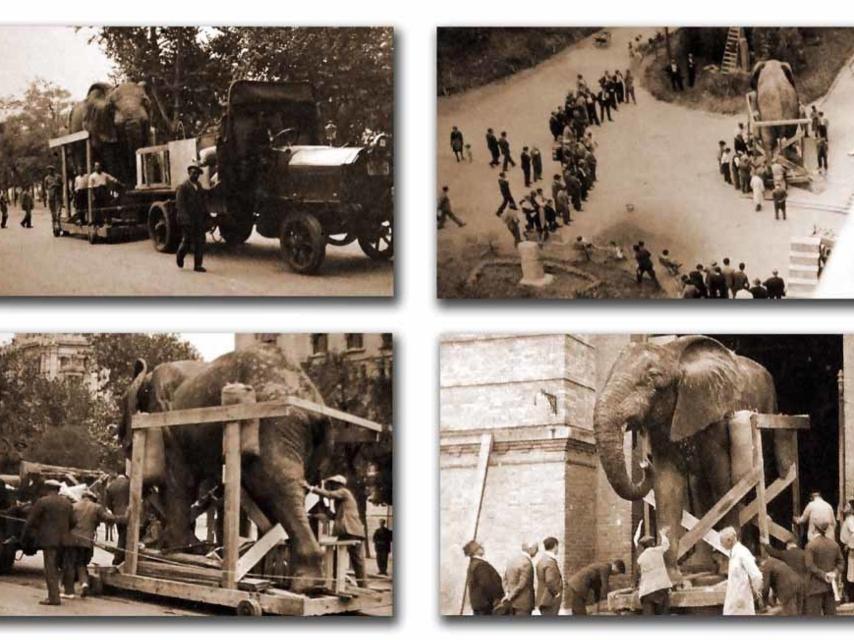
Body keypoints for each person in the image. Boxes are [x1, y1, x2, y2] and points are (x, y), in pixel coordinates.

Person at [303, 475, 367, 587]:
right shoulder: (341, 501)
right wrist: (324, 512)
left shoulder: (344, 492)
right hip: (346, 531)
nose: (330, 487)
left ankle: (361, 585)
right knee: (339, 559)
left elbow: (329, 495)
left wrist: (311, 488)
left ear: (338, 485)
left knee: (356, 560)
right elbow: (336, 517)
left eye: (332, 484)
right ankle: (337, 583)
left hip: (351, 531)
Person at [21, 480, 73, 605]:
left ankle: (54, 598)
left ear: (47, 489)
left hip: (49, 541)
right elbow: (73, 521)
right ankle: (67, 591)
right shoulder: (67, 503)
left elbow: (30, 521)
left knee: (50, 569)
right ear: (58, 489)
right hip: (65, 540)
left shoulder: (43, 501)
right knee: (64, 566)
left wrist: (25, 536)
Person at [64, 490, 119, 598]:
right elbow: (109, 518)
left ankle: (69, 591)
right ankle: (84, 583)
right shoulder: (96, 507)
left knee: (70, 564)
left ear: (83, 496)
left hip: (72, 540)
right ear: (92, 498)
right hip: (86, 542)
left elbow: (67, 522)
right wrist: (124, 518)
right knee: (81, 564)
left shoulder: (73, 506)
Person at [804, 520, 844, 615]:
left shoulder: (810, 546)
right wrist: (834, 573)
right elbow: (841, 562)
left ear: (814, 529)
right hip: (830, 587)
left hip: (814, 588)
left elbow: (809, 565)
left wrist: (824, 575)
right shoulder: (834, 545)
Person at [720, 526, 763, 615]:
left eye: (722, 542)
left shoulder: (742, 553)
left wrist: (756, 591)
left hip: (741, 601)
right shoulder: (733, 554)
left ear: (729, 540)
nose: (721, 545)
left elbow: (756, 575)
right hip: (734, 600)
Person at [175, 162, 210, 272]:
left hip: (198, 219)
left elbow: (202, 201)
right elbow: (180, 205)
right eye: (193, 173)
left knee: (200, 241)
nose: (195, 175)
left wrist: (206, 215)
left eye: (197, 173)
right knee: (187, 241)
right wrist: (185, 219)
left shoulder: (199, 186)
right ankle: (180, 256)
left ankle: (198, 265)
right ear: (189, 173)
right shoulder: (183, 187)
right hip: (187, 219)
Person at [636, 527, 672, 615]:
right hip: (661, 589)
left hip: (647, 592)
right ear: (653, 543)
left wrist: (636, 586)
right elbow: (666, 545)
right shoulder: (658, 551)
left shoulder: (640, 558)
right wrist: (663, 534)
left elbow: (638, 574)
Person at [463, 540, 504, 615]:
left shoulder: (473, 564)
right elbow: (487, 584)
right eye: (480, 547)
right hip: (486, 605)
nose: (483, 548)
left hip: (480, 604)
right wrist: (496, 598)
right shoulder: (480, 565)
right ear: (475, 551)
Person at [501, 540, 537, 615]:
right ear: (530, 549)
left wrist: (507, 593)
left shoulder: (512, 561)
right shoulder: (527, 563)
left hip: (511, 604)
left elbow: (504, 579)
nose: (537, 551)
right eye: (536, 548)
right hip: (523, 604)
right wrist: (510, 596)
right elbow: (522, 584)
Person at [105, 473, 130, 566]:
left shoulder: (111, 486)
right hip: (128, 513)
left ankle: (120, 557)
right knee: (125, 536)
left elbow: (108, 503)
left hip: (117, 513)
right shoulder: (129, 483)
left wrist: (114, 512)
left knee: (121, 535)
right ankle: (119, 559)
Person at [536, 537, 563, 615]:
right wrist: (556, 593)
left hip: (543, 598)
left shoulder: (541, 560)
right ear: (555, 546)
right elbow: (550, 580)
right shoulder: (550, 562)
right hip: (550, 600)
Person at [839, 500, 854, 602]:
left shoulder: (850, 520)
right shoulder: (848, 519)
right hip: (848, 546)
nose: (845, 508)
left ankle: (850, 597)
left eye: (848, 506)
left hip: (849, 548)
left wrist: (849, 546)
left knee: (849, 572)